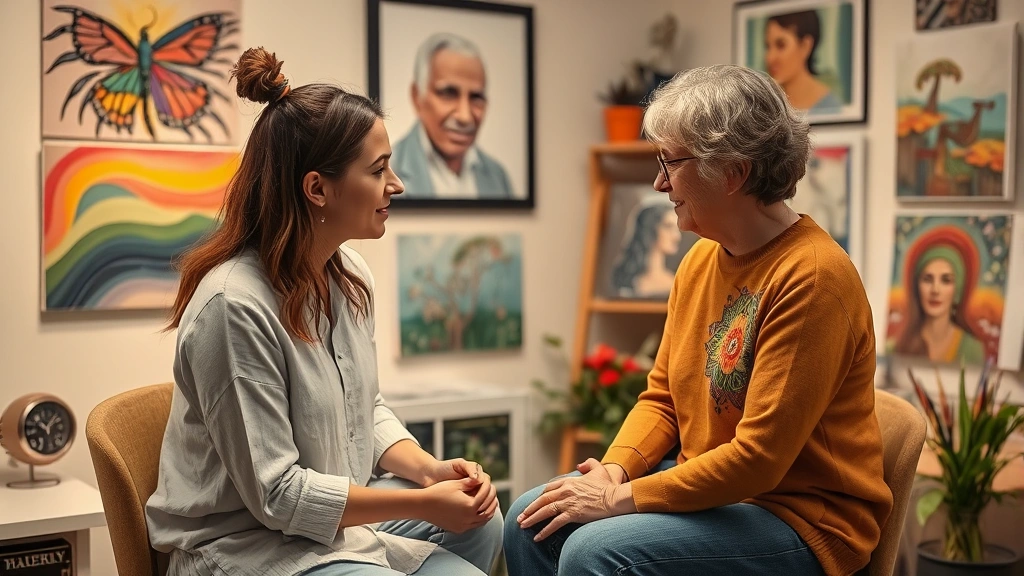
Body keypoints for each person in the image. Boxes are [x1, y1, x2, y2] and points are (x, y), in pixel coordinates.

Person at [504, 65, 892, 576]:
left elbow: (757, 460)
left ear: (732, 172)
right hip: (719, 493)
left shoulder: (813, 277)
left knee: (591, 551)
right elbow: (663, 396)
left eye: (671, 161)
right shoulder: (701, 259)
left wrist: (620, 500)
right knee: (529, 520)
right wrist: (613, 474)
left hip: (800, 522)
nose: (659, 181)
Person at [145, 47, 503, 576]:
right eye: (379, 169)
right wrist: (423, 503)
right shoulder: (233, 307)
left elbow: (367, 407)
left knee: (484, 522)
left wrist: (429, 472)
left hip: (326, 531)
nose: (396, 185)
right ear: (317, 188)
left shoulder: (350, 274)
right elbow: (279, 494)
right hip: (242, 547)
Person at [391, 32, 514, 199]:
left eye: (476, 97)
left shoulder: (498, 177)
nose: (465, 117)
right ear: (416, 96)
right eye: (448, 93)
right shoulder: (391, 169)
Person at [892, 229, 985, 364]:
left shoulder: (972, 349)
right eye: (928, 279)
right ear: (917, 287)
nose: (935, 290)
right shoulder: (898, 345)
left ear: (957, 290)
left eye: (946, 280)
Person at [763, 11, 842, 114]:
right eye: (767, 46)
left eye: (781, 45)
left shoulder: (832, 107)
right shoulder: (766, 109)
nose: (770, 57)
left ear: (805, 46)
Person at [610, 195, 686, 298]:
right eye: (668, 227)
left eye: (676, 228)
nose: (677, 236)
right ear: (650, 229)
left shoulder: (675, 283)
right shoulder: (626, 280)